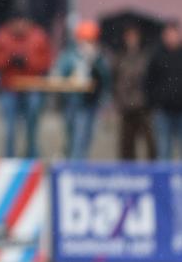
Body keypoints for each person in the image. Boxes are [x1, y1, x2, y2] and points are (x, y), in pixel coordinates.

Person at [0, 16, 52, 158]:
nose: (20, 27)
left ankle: (32, 157)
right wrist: (9, 60)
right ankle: (10, 160)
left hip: (31, 86)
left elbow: (45, 62)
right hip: (9, 88)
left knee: (32, 125)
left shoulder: (38, 36)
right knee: (10, 129)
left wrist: (27, 62)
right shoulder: (2, 36)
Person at [54, 20, 111, 159]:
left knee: (86, 137)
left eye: (91, 41)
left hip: (91, 102)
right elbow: (60, 74)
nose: (88, 44)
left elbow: (105, 78)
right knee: (76, 137)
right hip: (74, 102)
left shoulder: (99, 57)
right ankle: (74, 165)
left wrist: (94, 62)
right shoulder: (70, 55)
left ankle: (80, 163)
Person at [111, 24, 156, 160]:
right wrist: (118, 99)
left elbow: (150, 78)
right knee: (126, 143)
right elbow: (114, 80)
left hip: (142, 104)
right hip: (126, 105)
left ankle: (151, 169)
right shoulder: (119, 57)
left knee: (150, 141)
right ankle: (128, 172)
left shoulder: (145, 56)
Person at [146, 20, 182, 159]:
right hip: (163, 110)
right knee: (163, 149)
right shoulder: (157, 56)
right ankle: (163, 180)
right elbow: (148, 81)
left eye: (173, 33)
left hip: (180, 110)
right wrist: (154, 102)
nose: (171, 37)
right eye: (168, 34)